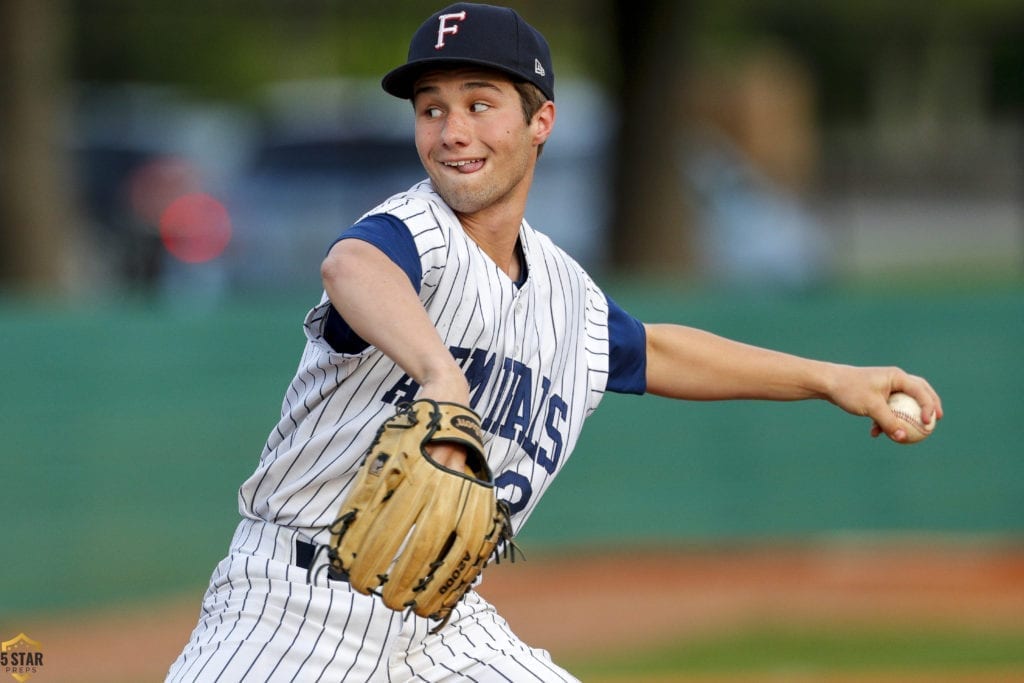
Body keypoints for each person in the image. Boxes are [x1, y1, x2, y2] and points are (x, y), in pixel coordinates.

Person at [166, 3, 943, 681]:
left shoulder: (565, 295)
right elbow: (351, 264)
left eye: (481, 103)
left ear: (541, 121)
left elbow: (657, 351)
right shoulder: (416, 231)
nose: (452, 131)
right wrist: (439, 371)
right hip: (291, 613)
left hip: (440, 627)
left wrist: (833, 377)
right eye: (431, 109)